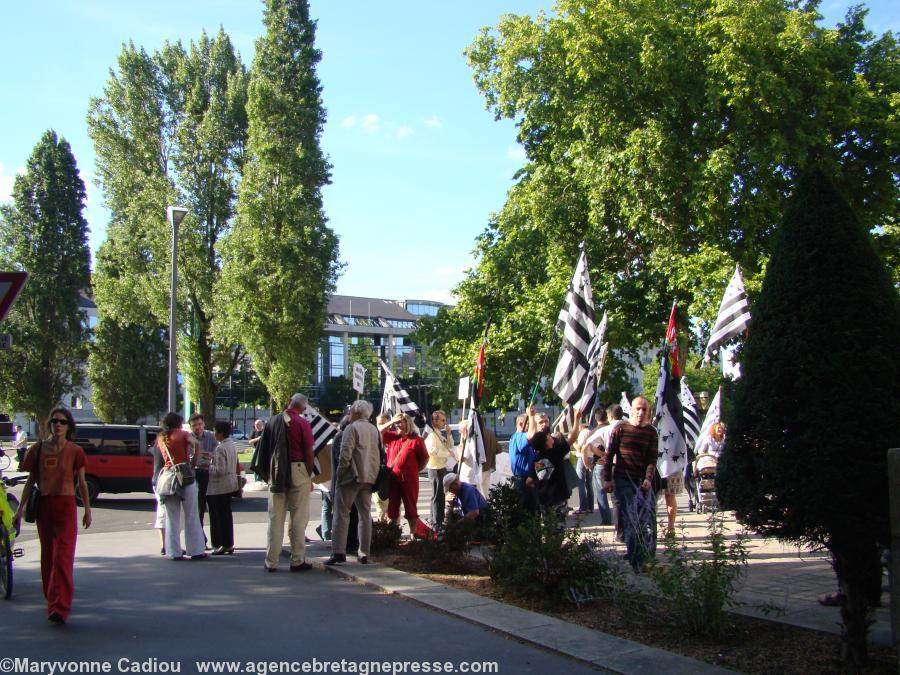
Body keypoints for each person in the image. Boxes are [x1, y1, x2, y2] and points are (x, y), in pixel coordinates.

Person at [13, 408, 91, 624]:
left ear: (68, 426)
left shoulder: (75, 451)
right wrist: (19, 510)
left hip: (66, 506)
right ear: (50, 424)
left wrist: (87, 510)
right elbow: (30, 481)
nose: (58, 425)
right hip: (45, 507)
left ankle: (60, 606)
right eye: (54, 421)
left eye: (62, 422)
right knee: (48, 555)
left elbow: (82, 483)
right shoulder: (37, 450)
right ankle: (52, 596)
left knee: (62, 556)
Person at [251, 393, 315, 572]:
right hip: (298, 469)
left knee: (275, 518)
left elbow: (264, 450)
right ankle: (297, 559)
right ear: (302, 408)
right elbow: (309, 452)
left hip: (277, 471)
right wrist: (307, 474)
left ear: (289, 403)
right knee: (298, 518)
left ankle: (271, 560)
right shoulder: (303, 423)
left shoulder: (272, 421)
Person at [602, 396, 659, 572]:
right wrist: (607, 479)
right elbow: (609, 454)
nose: (641, 412)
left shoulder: (651, 432)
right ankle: (637, 560)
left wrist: (649, 478)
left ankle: (643, 553)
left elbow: (652, 458)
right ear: (632, 410)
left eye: (644, 409)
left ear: (648, 412)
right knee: (632, 519)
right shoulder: (621, 428)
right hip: (622, 480)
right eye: (638, 409)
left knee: (646, 519)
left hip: (642, 481)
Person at [326, 400, 381, 565]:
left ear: (357, 412)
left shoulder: (351, 428)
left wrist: (340, 474)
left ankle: (338, 551)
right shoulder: (374, 429)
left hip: (352, 476)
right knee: (365, 516)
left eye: (351, 411)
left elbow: (345, 454)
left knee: (341, 514)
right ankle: (364, 552)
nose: (349, 414)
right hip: (369, 477)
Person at [157, 412, 206, 561]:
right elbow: (196, 443)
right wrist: (193, 462)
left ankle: (173, 551)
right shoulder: (182, 434)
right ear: (178, 423)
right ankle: (196, 550)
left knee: (172, 517)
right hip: (184, 475)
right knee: (191, 514)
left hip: (167, 477)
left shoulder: (161, 438)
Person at [379, 412, 428, 536]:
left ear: (408, 423)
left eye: (401, 421)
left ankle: (413, 536)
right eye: (397, 422)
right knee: (392, 510)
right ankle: (393, 536)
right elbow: (378, 431)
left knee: (411, 510)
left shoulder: (416, 440)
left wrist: (413, 471)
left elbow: (424, 459)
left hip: (409, 481)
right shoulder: (392, 437)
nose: (398, 424)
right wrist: (391, 422)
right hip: (393, 480)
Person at [206, 420, 240, 555]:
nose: (213, 433)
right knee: (226, 515)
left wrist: (207, 465)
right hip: (230, 483)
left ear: (220, 433)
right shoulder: (231, 444)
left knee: (217, 516)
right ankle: (228, 543)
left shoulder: (220, 448)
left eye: (215, 431)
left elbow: (219, 470)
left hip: (218, 486)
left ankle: (220, 543)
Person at [572, 407, 607, 515]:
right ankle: (590, 506)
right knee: (589, 483)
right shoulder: (591, 431)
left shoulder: (584, 433)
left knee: (581, 482)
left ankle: (583, 507)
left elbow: (581, 448)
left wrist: (573, 442)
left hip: (584, 458)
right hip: (591, 457)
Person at [188, 412, 216, 546]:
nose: (198, 427)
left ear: (204, 424)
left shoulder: (211, 436)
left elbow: (218, 453)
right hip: (196, 475)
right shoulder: (188, 438)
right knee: (198, 509)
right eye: (194, 426)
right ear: (190, 427)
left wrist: (210, 456)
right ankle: (201, 539)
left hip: (210, 474)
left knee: (214, 508)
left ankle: (217, 540)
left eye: (199, 424)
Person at [425, 410, 455, 527]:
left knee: (440, 495)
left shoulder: (438, 434)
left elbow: (449, 445)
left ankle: (437, 520)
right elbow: (432, 450)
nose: (444, 422)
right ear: (435, 421)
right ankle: (437, 521)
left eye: (445, 420)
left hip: (440, 467)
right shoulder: (432, 435)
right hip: (435, 468)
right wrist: (447, 454)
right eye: (442, 420)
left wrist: (449, 434)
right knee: (437, 496)